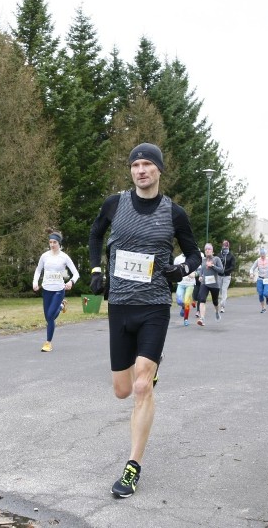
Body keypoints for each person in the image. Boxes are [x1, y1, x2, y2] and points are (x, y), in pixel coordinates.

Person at [89, 143, 201, 498]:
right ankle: (147, 368)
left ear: (159, 171)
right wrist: (95, 269)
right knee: (122, 390)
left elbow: (194, 254)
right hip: (120, 305)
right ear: (131, 171)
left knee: (141, 387)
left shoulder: (174, 213)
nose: (141, 170)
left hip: (154, 305)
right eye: (136, 164)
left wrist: (180, 268)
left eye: (147, 165)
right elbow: (95, 235)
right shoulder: (114, 204)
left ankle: (131, 468)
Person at [33, 230, 80, 352]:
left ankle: (48, 343)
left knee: (50, 317)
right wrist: (35, 283)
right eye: (50, 242)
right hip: (46, 290)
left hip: (59, 290)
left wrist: (70, 282)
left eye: (54, 242)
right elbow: (38, 271)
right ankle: (61, 305)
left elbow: (75, 273)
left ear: (59, 243)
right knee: (48, 317)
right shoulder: (44, 256)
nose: (52, 244)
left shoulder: (64, 257)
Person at [194, 243, 224, 326]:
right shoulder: (203, 260)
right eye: (206, 249)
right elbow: (201, 270)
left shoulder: (216, 259)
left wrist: (212, 265)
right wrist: (200, 276)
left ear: (212, 251)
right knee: (202, 299)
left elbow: (221, 270)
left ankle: (217, 312)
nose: (207, 250)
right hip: (205, 283)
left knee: (215, 301)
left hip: (215, 285)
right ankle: (202, 318)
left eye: (209, 249)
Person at [249, 248, 268, 313]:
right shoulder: (258, 260)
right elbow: (252, 268)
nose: (262, 255)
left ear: (266, 254)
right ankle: (263, 308)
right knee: (260, 294)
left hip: (267, 279)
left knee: (265, 293)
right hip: (260, 279)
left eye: (263, 254)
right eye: (261, 254)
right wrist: (251, 274)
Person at [173, 253, 195, 326]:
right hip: (181, 283)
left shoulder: (193, 258)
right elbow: (174, 269)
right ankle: (183, 306)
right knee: (179, 300)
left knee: (187, 302)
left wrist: (195, 274)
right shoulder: (177, 259)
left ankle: (186, 319)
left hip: (190, 284)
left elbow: (199, 270)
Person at [218, 240, 236, 313]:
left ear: (228, 246)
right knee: (220, 291)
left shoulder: (231, 256)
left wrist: (225, 271)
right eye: (223, 246)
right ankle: (222, 303)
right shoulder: (219, 255)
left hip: (227, 276)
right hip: (219, 276)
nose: (224, 247)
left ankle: (222, 306)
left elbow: (232, 267)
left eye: (226, 246)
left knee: (224, 290)